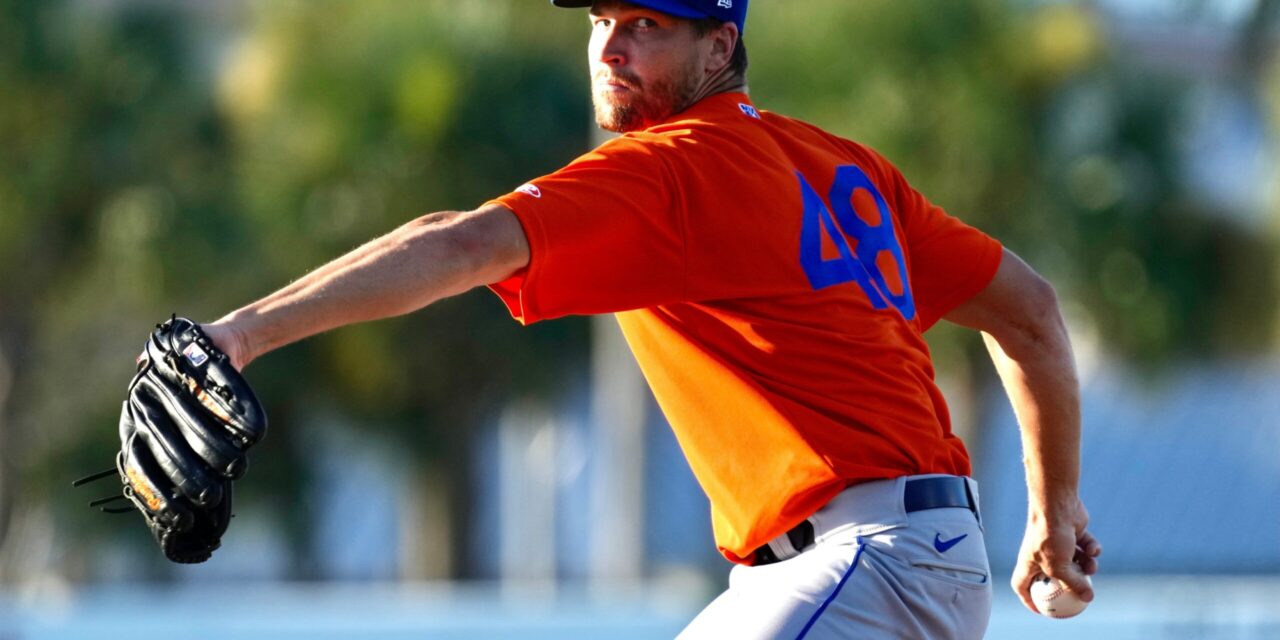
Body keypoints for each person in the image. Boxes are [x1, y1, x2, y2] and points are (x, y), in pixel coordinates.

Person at [201, 0, 1101, 637]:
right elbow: (1029, 314)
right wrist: (1050, 517)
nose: (611, 48)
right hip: (880, 562)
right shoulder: (842, 165)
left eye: (647, 25)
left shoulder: (676, 166)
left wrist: (236, 337)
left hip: (864, 562)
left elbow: (459, 244)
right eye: (601, 22)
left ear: (720, 46)